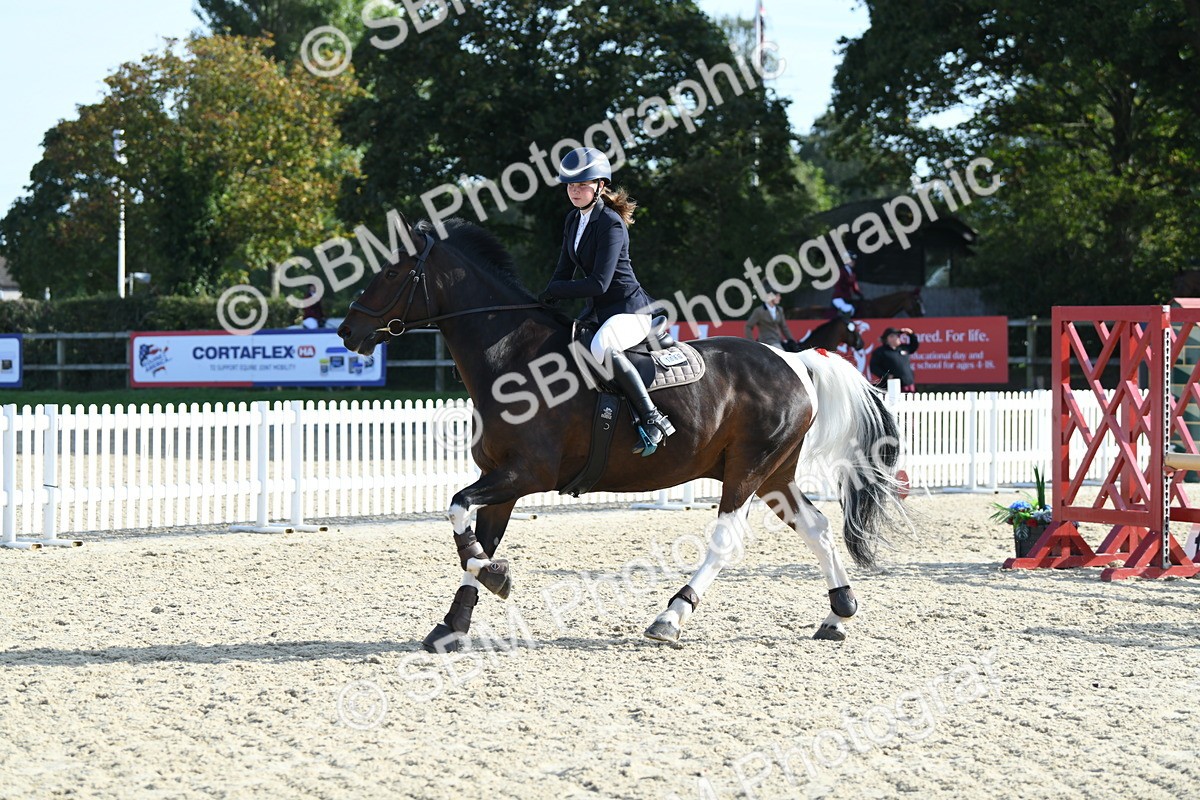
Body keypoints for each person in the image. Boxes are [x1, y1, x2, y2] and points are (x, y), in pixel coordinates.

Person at [537, 146, 674, 456]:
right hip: (599, 312)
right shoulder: (574, 220)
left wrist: (557, 291)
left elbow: (599, 283)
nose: (574, 190)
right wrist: (542, 299)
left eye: (582, 184)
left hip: (629, 310)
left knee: (602, 347)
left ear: (599, 186)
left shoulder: (610, 223)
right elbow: (562, 271)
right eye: (571, 185)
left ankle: (653, 418)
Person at [870, 326, 920, 392]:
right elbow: (874, 367)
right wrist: (887, 376)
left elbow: (914, 346)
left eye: (898, 335)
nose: (898, 337)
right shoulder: (881, 351)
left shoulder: (903, 348)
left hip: (909, 384)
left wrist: (911, 334)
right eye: (896, 336)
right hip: (893, 385)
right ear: (888, 338)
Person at [831, 251, 866, 317]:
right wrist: (842, 295)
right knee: (849, 309)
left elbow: (854, 287)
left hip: (847, 298)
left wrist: (860, 295)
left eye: (853, 260)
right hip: (839, 298)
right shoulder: (841, 272)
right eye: (851, 260)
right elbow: (837, 285)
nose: (853, 262)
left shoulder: (852, 274)